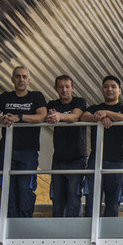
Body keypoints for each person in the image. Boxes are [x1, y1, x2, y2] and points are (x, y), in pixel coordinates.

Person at [0, 66, 47, 218]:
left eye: (24, 77)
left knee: (25, 188)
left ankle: (23, 222)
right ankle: (9, 222)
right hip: (8, 149)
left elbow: (42, 116)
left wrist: (19, 117)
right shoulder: (5, 97)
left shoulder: (36, 96)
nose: (21, 80)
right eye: (18, 76)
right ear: (12, 79)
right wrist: (1, 119)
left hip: (28, 150)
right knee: (8, 188)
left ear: (29, 80)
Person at [81, 75, 123, 217]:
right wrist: (101, 117)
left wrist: (107, 113)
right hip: (96, 160)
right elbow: (84, 117)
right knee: (91, 200)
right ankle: (89, 235)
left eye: (113, 87)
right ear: (102, 90)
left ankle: (110, 237)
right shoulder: (95, 108)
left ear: (119, 91)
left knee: (113, 202)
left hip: (119, 161)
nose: (109, 89)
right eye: (106, 86)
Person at [45, 75, 87, 217]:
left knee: (74, 197)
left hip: (77, 158)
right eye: (61, 87)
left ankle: (74, 233)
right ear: (56, 89)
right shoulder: (52, 104)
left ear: (73, 88)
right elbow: (46, 115)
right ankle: (58, 233)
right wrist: (51, 115)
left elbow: (75, 116)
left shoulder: (79, 102)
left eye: (67, 86)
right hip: (58, 158)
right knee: (57, 198)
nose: (64, 90)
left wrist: (59, 116)